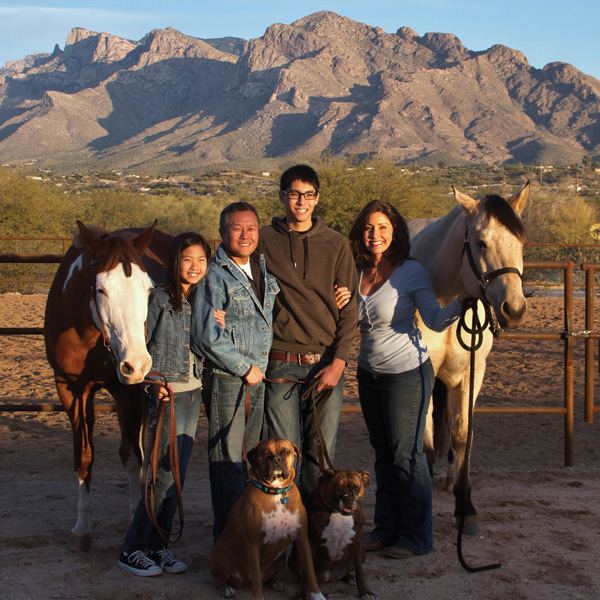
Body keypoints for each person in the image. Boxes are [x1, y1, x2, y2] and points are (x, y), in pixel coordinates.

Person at [342, 199, 463, 559]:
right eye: (368, 228)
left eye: (382, 228)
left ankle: (416, 537)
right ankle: (385, 528)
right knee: (382, 454)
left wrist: (466, 299)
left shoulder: (411, 272)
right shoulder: (355, 270)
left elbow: (436, 318)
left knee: (406, 456)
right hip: (368, 372)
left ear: (395, 231)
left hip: (406, 372)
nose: (374, 235)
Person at [260, 164, 358, 500]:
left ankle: (316, 534)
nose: (301, 201)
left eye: (308, 195)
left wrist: (339, 362)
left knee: (320, 453)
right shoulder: (262, 240)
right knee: (281, 457)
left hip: (325, 364)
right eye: (294, 193)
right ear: (282, 196)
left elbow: (350, 309)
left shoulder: (336, 244)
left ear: (317, 199)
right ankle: (283, 537)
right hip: (280, 363)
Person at [118, 231, 212, 577]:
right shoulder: (158, 299)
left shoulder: (206, 298)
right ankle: (132, 548)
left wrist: (218, 323)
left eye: (201, 260)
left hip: (193, 390)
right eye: (188, 259)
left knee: (178, 475)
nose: (195, 266)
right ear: (175, 262)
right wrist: (153, 382)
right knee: (160, 475)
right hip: (166, 392)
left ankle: (158, 546)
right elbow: (143, 346)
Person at [193, 201, 279, 540]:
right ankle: (228, 540)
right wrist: (245, 367)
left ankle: (251, 533)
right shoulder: (214, 275)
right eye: (237, 228)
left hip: (256, 377)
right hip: (231, 378)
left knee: (250, 454)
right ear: (222, 232)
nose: (245, 235)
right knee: (228, 458)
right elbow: (206, 336)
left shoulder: (261, 269)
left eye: (251, 228)